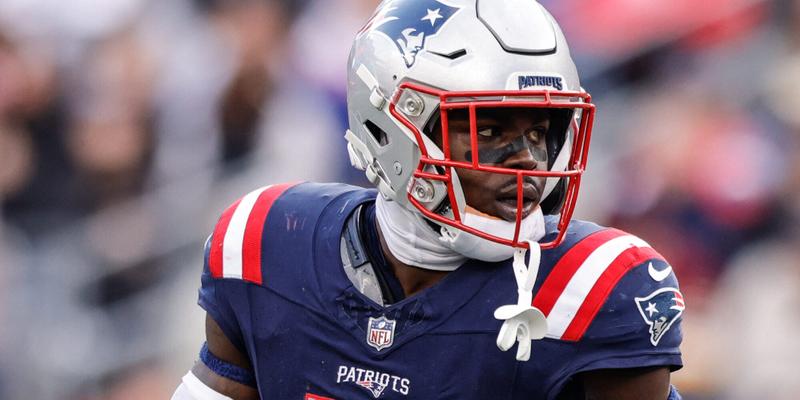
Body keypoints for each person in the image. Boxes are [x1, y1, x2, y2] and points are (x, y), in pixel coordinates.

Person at [172, 0, 685, 399]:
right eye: (488, 128)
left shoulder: (593, 288)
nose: (527, 159)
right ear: (392, 125)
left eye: (540, 129)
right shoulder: (268, 243)